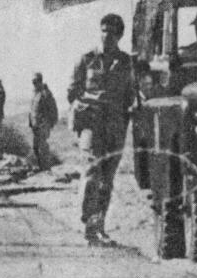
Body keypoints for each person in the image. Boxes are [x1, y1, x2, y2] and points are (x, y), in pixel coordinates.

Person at [67, 13, 136, 247]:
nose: (106, 35)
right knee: (92, 172)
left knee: (107, 178)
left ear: (119, 36)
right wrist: (84, 106)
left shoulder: (127, 63)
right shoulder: (86, 59)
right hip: (92, 125)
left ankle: (100, 226)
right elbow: (72, 91)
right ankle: (89, 225)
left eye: (111, 32)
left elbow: (131, 94)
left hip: (115, 125)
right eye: (103, 30)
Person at [28, 72, 58, 171]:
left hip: (43, 125)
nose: (34, 84)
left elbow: (53, 109)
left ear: (40, 81)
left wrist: (50, 123)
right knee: (35, 147)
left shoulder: (46, 94)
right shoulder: (35, 94)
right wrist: (31, 123)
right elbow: (32, 110)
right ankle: (41, 166)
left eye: (36, 82)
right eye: (33, 82)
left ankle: (45, 167)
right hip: (35, 125)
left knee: (42, 146)